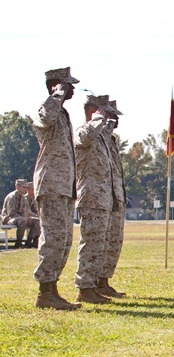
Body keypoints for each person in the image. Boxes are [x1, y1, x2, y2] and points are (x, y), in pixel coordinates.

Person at [33, 67, 82, 310]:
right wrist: (56, 95)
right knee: (52, 239)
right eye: (68, 85)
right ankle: (45, 293)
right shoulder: (48, 108)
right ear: (57, 86)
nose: (73, 88)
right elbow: (44, 118)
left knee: (63, 241)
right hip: (51, 184)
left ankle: (52, 290)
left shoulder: (63, 114)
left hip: (64, 186)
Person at [74, 94, 115, 303]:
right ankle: (84, 287)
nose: (107, 116)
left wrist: (107, 124)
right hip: (91, 198)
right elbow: (84, 137)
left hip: (102, 200)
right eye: (104, 111)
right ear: (93, 110)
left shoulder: (100, 137)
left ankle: (92, 285)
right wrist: (98, 119)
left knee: (99, 245)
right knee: (90, 244)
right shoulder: (83, 131)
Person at [98, 99, 127, 298]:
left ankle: (102, 281)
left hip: (113, 197)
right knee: (97, 242)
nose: (114, 120)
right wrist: (101, 119)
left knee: (113, 242)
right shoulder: (90, 134)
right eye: (111, 115)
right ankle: (89, 285)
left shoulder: (109, 141)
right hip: (97, 197)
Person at [2, 179, 40, 249]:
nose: (26, 189)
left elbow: (24, 211)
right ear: (17, 187)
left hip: (20, 218)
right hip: (9, 218)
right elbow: (11, 213)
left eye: (26, 187)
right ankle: (18, 243)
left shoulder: (23, 197)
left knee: (37, 221)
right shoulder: (12, 197)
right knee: (23, 220)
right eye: (24, 187)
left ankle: (29, 243)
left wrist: (26, 217)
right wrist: (24, 218)